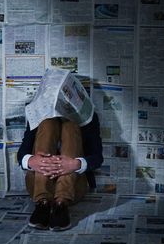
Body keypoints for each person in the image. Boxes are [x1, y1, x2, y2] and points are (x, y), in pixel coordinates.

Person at [17, 69, 103, 231]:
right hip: (38, 184)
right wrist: (32, 161)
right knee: (47, 123)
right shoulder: (36, 114)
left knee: (71, 125)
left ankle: (60, 204)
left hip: (74, 185)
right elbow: (22, 154)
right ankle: (43, 204)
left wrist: (75, 164)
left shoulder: (89, 118)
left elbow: (98, 157)